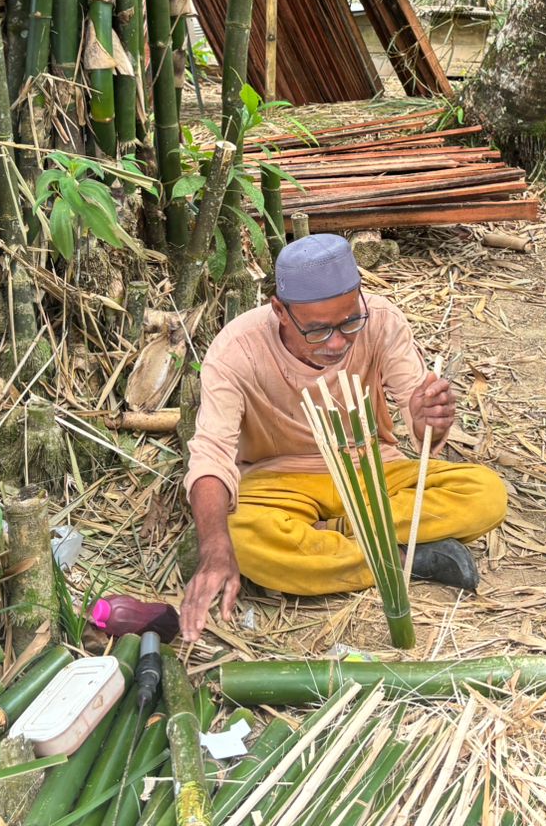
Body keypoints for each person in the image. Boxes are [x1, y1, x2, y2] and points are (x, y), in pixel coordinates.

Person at [179, 234, 508, 642]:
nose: (337, 343)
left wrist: (430, 421)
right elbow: (211, 455)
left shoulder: (382, 320)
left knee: (485, 493)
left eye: (350, 322)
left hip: (371, 472)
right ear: (280, 310)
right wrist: (214, 547)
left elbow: (419, 420)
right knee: (244, 540)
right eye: (318, 331)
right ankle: (406, 558)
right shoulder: (237, 349)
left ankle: (340, 537)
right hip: (281, 483)